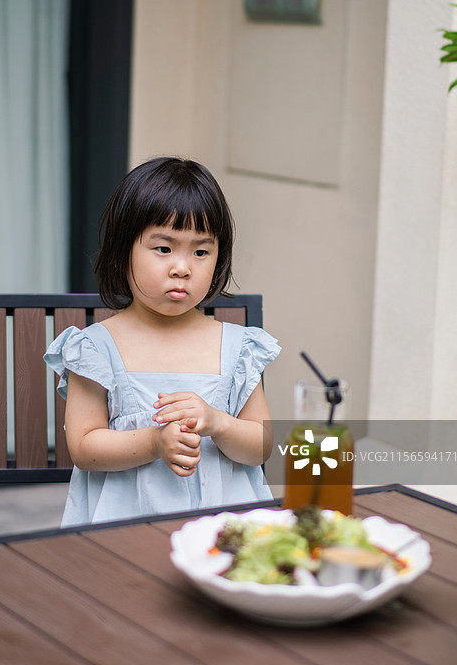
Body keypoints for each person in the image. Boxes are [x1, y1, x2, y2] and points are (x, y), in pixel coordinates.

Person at [44, 156, 280, 525]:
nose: (182, 267)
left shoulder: (238, 349)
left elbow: (261, 447)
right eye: (163, 249)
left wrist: (218, 423)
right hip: (123, 535)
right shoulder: (96, 349)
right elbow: (84, 447)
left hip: (223, 533)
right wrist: (154, 442)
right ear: (124, 254)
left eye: (201, 252)